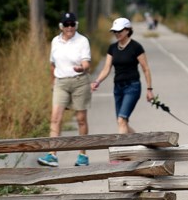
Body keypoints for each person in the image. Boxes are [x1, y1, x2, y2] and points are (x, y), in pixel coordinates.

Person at [38, 12, 91, 167]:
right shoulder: (55, 41)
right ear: (61, 26)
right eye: (66, 25)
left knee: (81, 119)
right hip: (60, 82)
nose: (69, 28)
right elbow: (52, 64)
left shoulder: (82, 41)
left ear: (76, 25)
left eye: (72, 24)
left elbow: (87, 63)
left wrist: (81, 68)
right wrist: (52, 82)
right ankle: (52, 154)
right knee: (55, 118)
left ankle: (83, 155)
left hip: (79, 81)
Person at [90, 17, 155, 133]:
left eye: (119, 31)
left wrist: (149, 89)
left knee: (121, 120)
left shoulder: (136, 47)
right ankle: (139, 140)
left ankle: (122, 150)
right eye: (115, 31)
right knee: (122, 122)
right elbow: (106, 68)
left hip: (132, 87)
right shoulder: (112, 48)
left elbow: (146, 69)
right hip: (118, 88)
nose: (117, 34)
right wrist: (97, 81)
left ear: (127, 30)